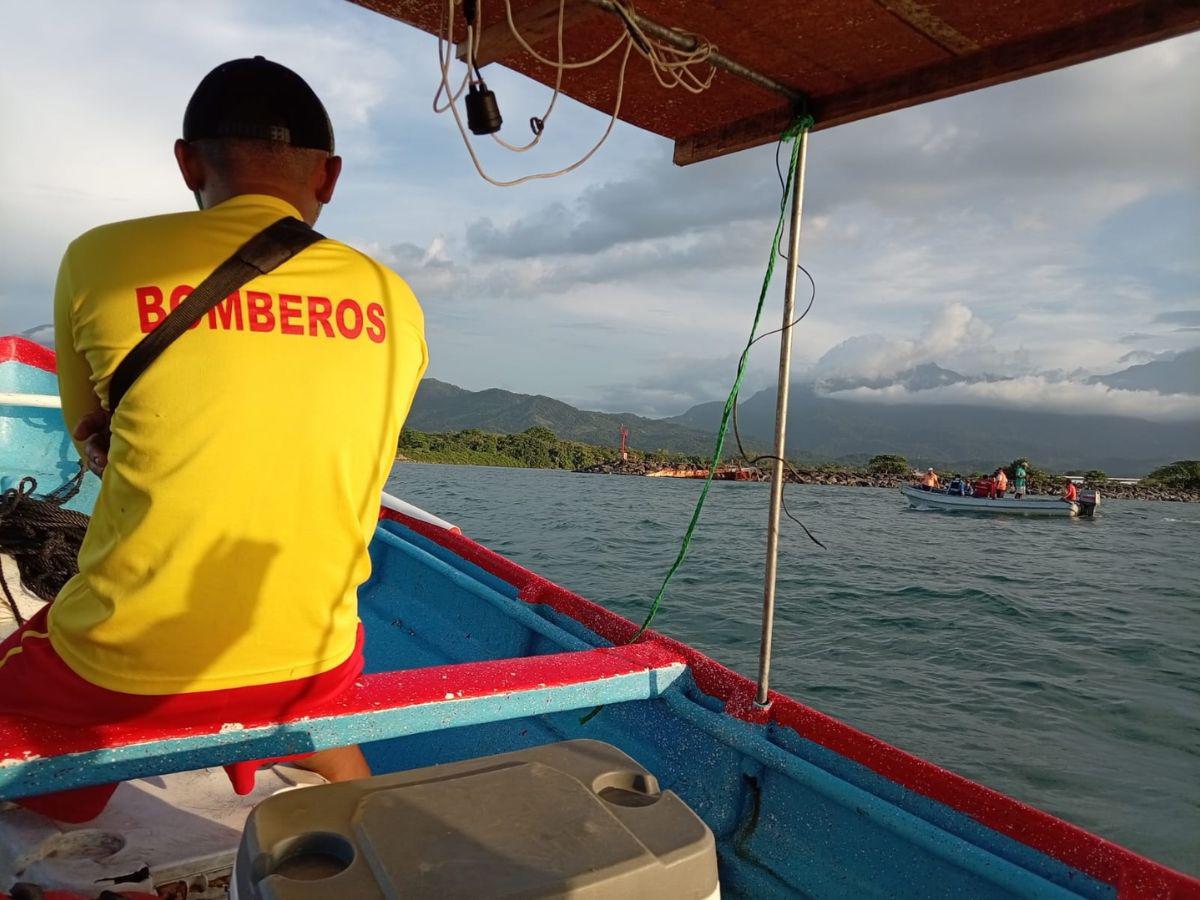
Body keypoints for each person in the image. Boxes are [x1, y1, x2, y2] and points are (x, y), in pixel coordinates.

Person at [0, 57, 428, 816]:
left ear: (187, 161)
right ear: (327, 178)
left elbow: (90, 433)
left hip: (124, 666)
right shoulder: (395, 298)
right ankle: (369, 826)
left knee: (34, 711)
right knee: (315, 711)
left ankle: (66, 804)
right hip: (318, 659)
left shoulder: (99, 259)